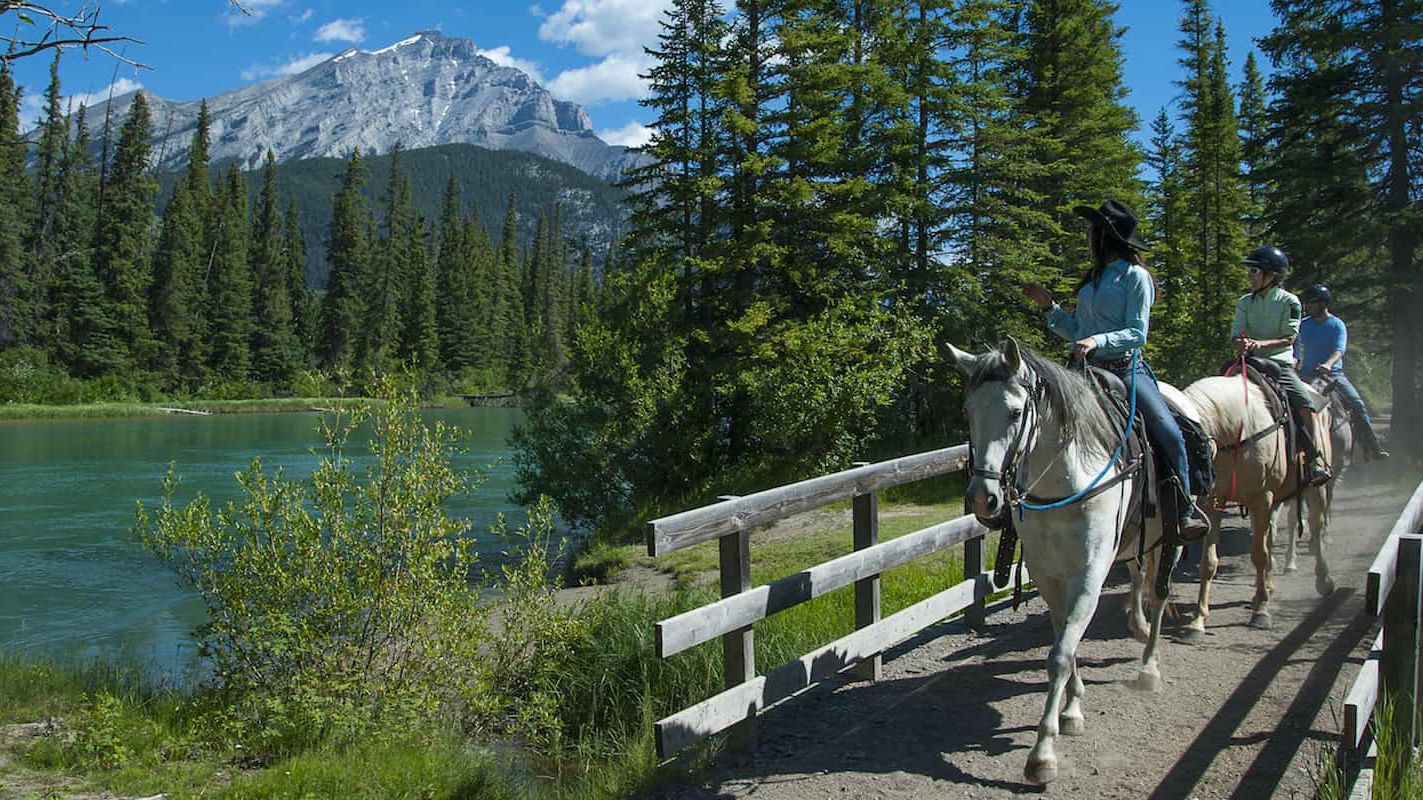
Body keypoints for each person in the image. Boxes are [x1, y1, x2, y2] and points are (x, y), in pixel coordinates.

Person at [1022, 199, 1209, 539]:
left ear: (1105, 236)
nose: (1086, 234)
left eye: (1092, 229)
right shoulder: (1093, 279)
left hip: (1126, 370)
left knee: (1168, 430)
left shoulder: (1136, 278)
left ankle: (1185, 505)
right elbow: (1078, 330)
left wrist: (1098, 341)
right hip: (1085, 371)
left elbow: (1137, 333)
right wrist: (1049, 306)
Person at [1229, 246, 1332, 486]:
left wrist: (1258, 344)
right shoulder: (1244, 302)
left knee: (1305, 404)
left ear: (1271, 275)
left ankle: (1315, 459)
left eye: (1254, 271)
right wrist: (1240, 343)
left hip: (1279, 364)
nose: (1250, 276)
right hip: (1250, 361)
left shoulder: (1290, 302)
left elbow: (1289, 337)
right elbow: (1236, 332)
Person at [1296, 284, 1389, 460]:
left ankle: (1371, 444)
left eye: (1311, 303)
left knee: (1357, 403)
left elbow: (1339, 350)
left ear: (1323, 303)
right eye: (1307, 303)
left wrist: (1328, 364)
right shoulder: (1303, 325)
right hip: (1306, 374)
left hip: (1333, 375)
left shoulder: (1336, 325)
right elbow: (1295, 346)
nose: (1307, 306)